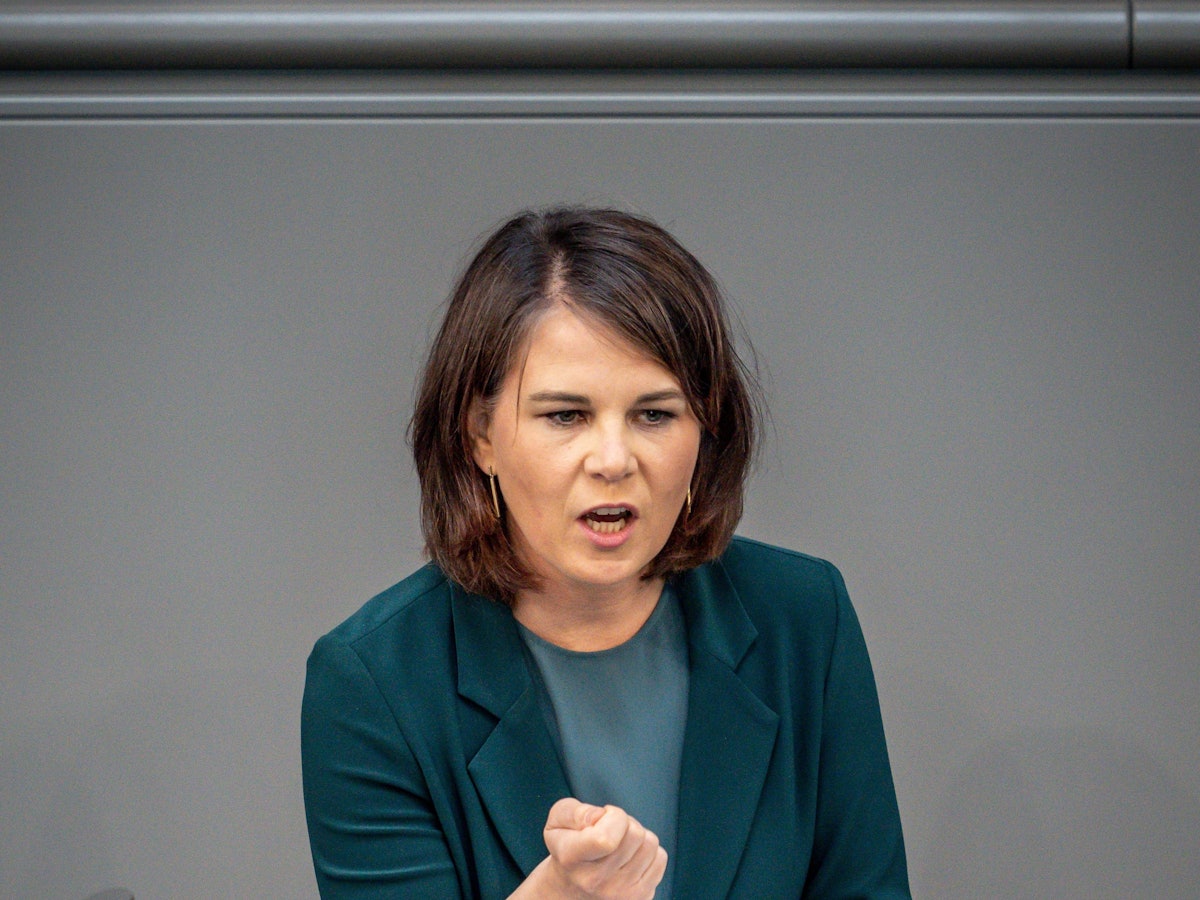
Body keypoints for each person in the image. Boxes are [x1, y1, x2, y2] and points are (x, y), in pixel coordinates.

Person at [301, 207, 910, 899]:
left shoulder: (804, 620)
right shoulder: (373, 682)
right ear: (481, 435)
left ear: (705, 429)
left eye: (655, 414)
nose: (614, 460)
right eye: (566, 416)